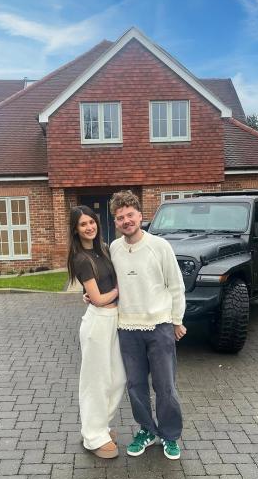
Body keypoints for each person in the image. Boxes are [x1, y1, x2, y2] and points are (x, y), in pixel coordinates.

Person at [109, 190, 187, 460]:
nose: (126, 221)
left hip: (159, 326)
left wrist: (177, 319)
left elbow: (175, 284)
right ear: (116, 222)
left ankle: (170, 435)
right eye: (120, 217)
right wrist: (90, 295)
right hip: (127, 328)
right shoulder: (114, 249)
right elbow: (112, 286)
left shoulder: (160, 246)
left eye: (130, 215)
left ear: (141, 216)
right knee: (135, 386)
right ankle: (146, 430)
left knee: (165, 386)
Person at [67, 205, 127, 459]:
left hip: (113, 320)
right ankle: (93, 436)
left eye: (91, 222)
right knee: (96, 382)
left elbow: (96, 292)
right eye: (83, 224)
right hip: (97, 323)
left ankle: (100, 427)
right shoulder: (81, 258)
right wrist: (120, 290)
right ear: (76, 230)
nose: (89, 227)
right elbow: (99, 298)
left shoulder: (103, 249)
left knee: (118, 378)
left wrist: (102, 294)